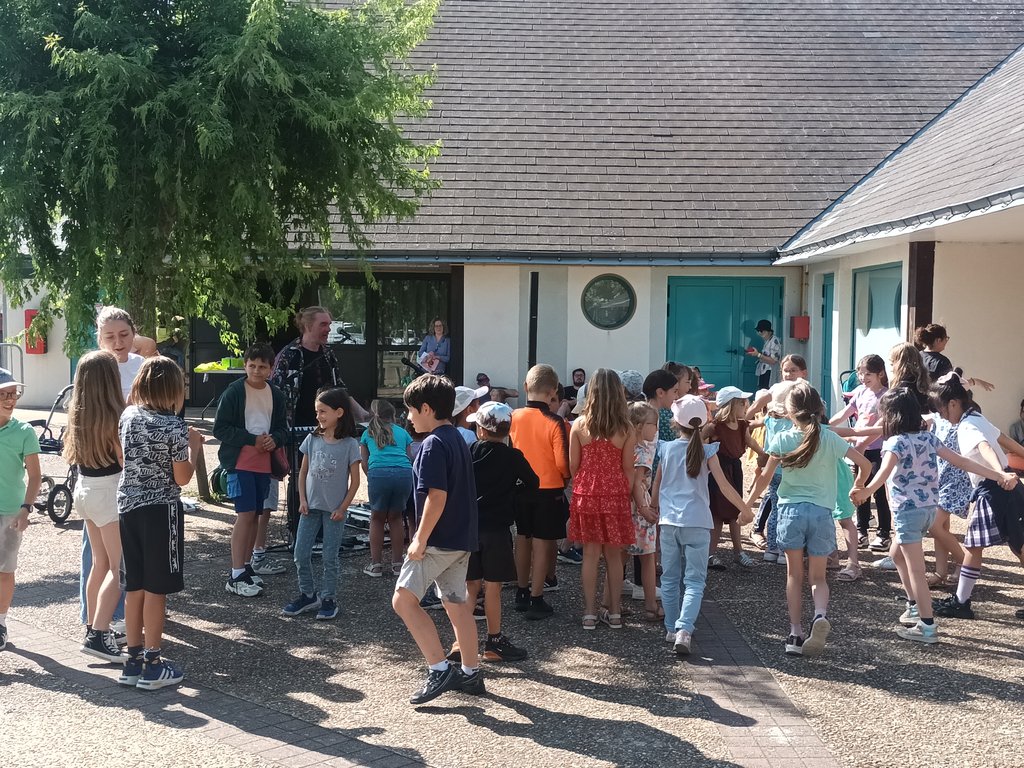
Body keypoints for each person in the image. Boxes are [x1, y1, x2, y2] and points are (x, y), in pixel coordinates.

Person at [851, 387, 1017, 643]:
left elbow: (882, 474)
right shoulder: (928, 438)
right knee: (896, 555)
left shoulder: (895, 443)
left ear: (891, 416)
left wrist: (865, 491)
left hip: (908, 513)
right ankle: (914, 605)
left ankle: (926, 626)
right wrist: (999, 475)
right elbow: (963, 461)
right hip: (929, 509)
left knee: (917, 572)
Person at [746, 382, 872, 657]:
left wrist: (747, 505)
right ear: (820, 409)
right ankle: (820, 615)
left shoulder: (782, 439)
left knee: (794, 575)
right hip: (822, 513)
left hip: (790, 512)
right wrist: (859, 486)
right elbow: (865, 464)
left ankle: (795, 634)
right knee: (818, 577)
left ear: (790, 412)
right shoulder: (829, 437)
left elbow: (765, 478)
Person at [392, 374, 483, 705]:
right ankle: (471, 673)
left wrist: (419, 538)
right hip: (461, 538)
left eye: (411, 410)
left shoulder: (431, 444)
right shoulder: (457, 437)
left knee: (403, 601)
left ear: (427, 409)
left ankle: (439, 669)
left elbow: (436, 496)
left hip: (438, 540)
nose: (409, 417)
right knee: (455, 603)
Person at [117, 357, 204, 689]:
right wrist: (194, 447)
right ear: (174, 391)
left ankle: (132, 660)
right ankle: (153, 663)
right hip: (160, 510)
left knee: (135, 585)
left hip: (128, 507)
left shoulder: (128, 416)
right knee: (157, 588)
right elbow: (182, 478)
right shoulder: (174, 427)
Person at [655, 394, 749, 654]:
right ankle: (685, 630)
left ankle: (671, 627)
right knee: (695, 581)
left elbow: (658, 485)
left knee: (670, 579)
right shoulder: (708, 452)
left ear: (675, 423)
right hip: (697, 522)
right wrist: (745, 509)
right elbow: (724, 486)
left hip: (669, 522)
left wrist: (651, 506)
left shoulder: (666, 449)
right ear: (704, 422)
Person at [931, 373, 1024, 620]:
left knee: (978, 545)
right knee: (1015, 546)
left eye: (941, 409)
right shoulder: (977, 417)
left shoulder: (967, 426)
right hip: (1004, 487)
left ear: (953, 403)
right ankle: (961, 601)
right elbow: (1004, 439)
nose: (941, 415)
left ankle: (961, 602)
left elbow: (985, 446)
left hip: (994, 488)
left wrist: (999, 473)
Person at [454, 401, 537, 663]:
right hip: (497, 529)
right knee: (493, 587)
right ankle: (494, 641)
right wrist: (512, 492)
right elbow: (533, 483)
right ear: (507, 430)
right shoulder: (513, 457)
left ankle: (460, 642)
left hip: (469, 527)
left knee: (470, 586)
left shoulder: (469, 451)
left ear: (480, 430)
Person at [213, 343, 288, 598]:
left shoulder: (276, 394)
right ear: (245, 365)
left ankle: (245, 567)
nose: (256, 370)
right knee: (244, 515)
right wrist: (250, 439)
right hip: (240, 462)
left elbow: (282, 428)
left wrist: (274, 439)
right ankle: (235, 574)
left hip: (264, 463)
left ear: (271, 369)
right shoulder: (234, 391)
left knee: (256, 514)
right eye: (252, 365)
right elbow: (220, 428)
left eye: (262, 366)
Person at [64, 351, 126, 660]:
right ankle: (100, 635)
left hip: (84, 490)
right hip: (108, 493)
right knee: (120, 569)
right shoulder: (116, 416)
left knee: (100, 564)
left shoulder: (76, 413)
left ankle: (92, 627)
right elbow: (124, 461)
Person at [282, 387, 361, 621]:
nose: (319, 416)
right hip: (310, 508)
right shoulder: (312, 439)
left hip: (334, 511)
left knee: (329, 557)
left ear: (339, 412)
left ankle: (329, 598)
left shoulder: (350, 444)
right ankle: (308, 594)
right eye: (317, 411)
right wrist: (302, 499)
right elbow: (302, 471)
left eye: (323, 411)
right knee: (300, 553)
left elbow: (355, 482)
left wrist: (343, 508)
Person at [568, 369, 636, 630]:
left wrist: (584, 482)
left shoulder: (579, 425)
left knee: (590, 554)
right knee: (614, 555)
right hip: (615, 492)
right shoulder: (626, 428)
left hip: (587, 493)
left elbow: (573, 465)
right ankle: (615, 612)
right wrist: (625, 494)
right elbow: (628, 468)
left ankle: (589, 613)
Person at [509, 364, 570, 621]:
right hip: (549, 487)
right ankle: (537, 596)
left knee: (523, 537)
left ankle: (521, 591)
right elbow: (562, 462)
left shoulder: (513, 417)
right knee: (543, 541)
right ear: (553, 391)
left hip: (521, 487)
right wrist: (566, 479)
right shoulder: (555, 422)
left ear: (526, 387)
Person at [829, 354, 891, 552]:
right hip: (859, 450)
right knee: (859, 488)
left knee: (878, 491)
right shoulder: (861, 392)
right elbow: (846, 412)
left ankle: (884, 533)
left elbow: (880, 427)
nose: (863, 378)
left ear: (880, 373)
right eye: (860, 373)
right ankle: (862, 530)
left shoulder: (886, 396)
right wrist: (825, 426)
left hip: (876, 450)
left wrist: (862, 445)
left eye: (868, 374)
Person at [0, 369, 41, 652]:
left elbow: (35, 476)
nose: (10, 399)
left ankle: (1, 623)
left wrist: (25, 509)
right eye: (3, 394)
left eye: (13, 394)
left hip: (10, 513)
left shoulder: (24, 431)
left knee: (5, 571)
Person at [704, 386, 765, 569]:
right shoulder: (714, 426)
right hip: (718, 470)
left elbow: (749, 441)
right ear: (731, 405)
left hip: (735, 469)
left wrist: (762, 453)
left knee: (736, 510)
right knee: (717, 513)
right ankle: (710, 554)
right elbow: (699, 441)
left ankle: (738, 552)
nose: (746, 405)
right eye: (742, 402)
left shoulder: (742, 425)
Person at [360, 399, 414, 578]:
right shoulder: (403, 432)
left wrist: (372, 477)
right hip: (403, 474)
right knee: (396, 517)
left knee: (377, 518)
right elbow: (409, 457)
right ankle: (397, 565)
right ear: (393, 415)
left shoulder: (368, 433)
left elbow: (364, 462)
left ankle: (376, 565)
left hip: (378, 474)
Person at [626, 402, 661, 621]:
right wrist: (644, 509)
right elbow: (637, 483)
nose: (656, 429)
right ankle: (650, 606)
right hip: (639, 508)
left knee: (619, 558)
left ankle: (609, 605)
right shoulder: (644, 451)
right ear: (639, 426)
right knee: (648, 558)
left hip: (623, 507)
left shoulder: (625, 447)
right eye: (653, 424)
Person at [914, 323, 995, 389]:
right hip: (933, 403)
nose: (946, 342)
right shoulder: (942, 362)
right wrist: (974, 381)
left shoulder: (917, 356)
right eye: (946, 338)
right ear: (938, 340)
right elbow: (952, 387)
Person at [748, 319, 782, 390]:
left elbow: (773, 361)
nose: (759, 333)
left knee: (767, 391)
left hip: (770, 372)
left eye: (762, 331)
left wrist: (758, 355)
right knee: (762, 391)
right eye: (758, 331)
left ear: (769, 331)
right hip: (764, 370)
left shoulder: (774, 341)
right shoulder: (767, 341)